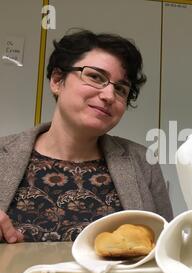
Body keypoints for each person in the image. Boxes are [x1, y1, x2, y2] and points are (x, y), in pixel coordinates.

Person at [0, 29, 173, 243]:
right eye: (94, 76)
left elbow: (168, 249)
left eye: (120, 89)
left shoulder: (144, 162)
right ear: (57, 80)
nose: (109, 95)